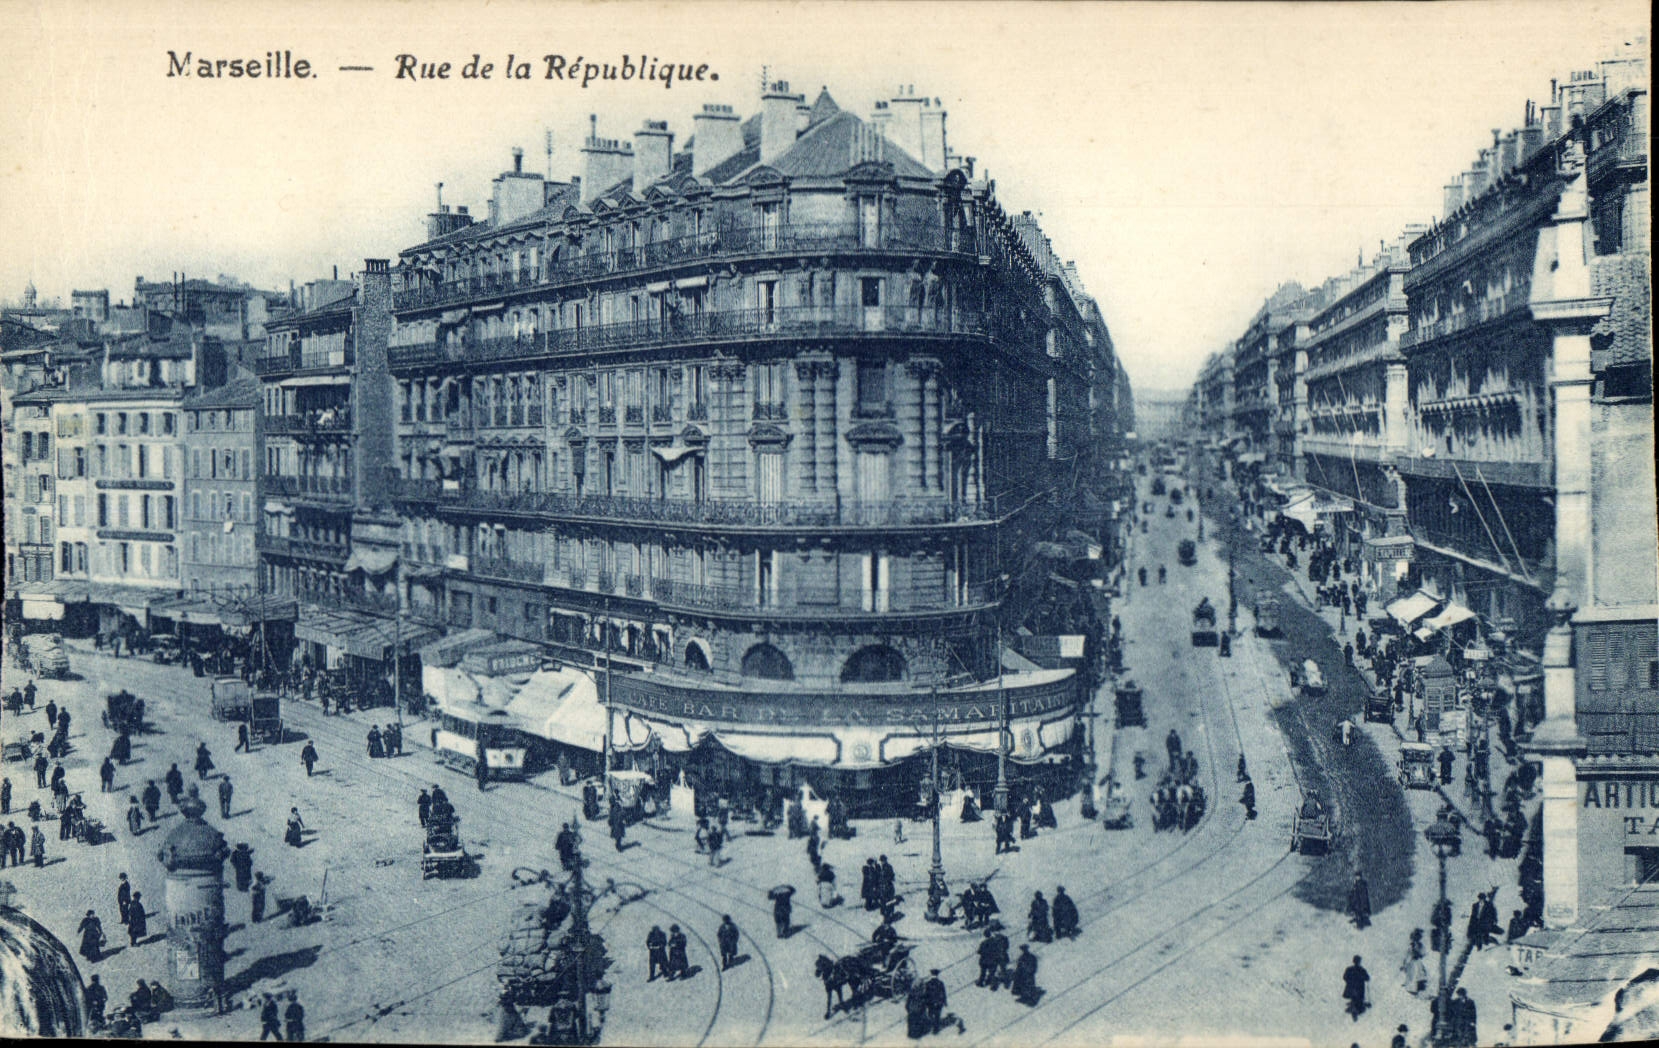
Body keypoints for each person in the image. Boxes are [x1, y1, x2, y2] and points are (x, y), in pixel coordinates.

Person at [1400, 928, 1428, 996]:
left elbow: (1423, 954)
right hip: (1411, 962)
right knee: (1411, 974)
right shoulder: (1410, 946)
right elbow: (1407, 955)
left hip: (1418, 961)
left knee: (1420, 974)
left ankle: (1420, 990)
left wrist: (1416, 952)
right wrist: (1404, 965)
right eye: (1414, 937)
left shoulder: (1420, 945)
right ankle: (1409, 988)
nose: (1416, 939)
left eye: (1418, 937)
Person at [1341, 955, 1369, 1020]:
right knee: (1358, 999)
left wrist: (1350, 981)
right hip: (1359, 989)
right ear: (1359, 962)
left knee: (1355, 998)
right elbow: (1367, 978)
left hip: (1352, 989)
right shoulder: (1362, 970)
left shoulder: (1349, 969)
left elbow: (1345, 977)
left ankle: (1354, 1007)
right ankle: (1356, 1009)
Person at [923, 968, 947, 1034]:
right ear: (937, 975)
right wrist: (945, 1002)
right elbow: (943, 993)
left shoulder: (927, 983)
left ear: (931, 975)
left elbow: (926, 994)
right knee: (937, 1015)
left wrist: (925, 1003)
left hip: (930, 1003)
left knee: (930, 1014)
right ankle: (936, 1029)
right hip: (939, 1003)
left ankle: (932, 1026)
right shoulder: (941, 983)